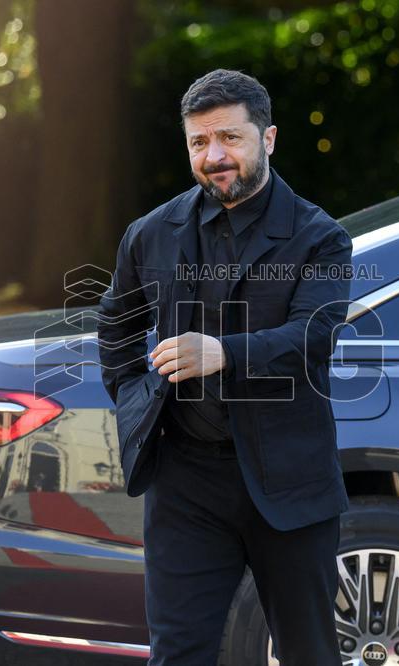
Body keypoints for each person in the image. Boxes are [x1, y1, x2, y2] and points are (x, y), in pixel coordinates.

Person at [96, 69, 351, 665]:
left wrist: (224, 355)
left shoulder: (321, 237)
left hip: (289, 479)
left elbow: (314, 336)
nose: (214, 157)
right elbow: (115, 329)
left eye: (230, 139)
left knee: (310, 653)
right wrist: (140, 403)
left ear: (268, 138)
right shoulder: (149, 233)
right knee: (177, 653)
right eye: (198, 143)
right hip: (184, 482)